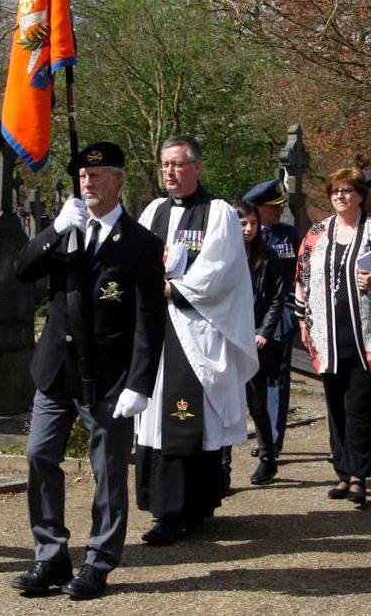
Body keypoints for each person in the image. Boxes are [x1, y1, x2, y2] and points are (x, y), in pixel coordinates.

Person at [11, 143, 165, 600]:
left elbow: (149, 323)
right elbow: (21, 270)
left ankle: (98, 562)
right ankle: (51, 554)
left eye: (98, 175)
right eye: (83, 176)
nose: (88, 182)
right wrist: (53, 231)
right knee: (40, 456)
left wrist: (140, 383)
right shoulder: (66, 230)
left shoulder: (141, 245)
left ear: (118, 181)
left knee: (108, 472)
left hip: (109, 376)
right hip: (57, 370)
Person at [134, 135, 258, 546]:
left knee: (187, 418)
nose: (169, 172)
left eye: (178, 164)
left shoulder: (218, 213)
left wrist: (171, 289)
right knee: (155, 417)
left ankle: (188, 507)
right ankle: (167, 505)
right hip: (156, 328)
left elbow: (218, 269)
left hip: (194, 328)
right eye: (165, 165)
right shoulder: (152, 210)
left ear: (197, 168)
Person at [295, 167, 371, 507]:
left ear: (360, 195)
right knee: (337, 407)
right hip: (327, 337)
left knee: (362, 408)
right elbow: (302, 278)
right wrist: (302, 321)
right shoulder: (316, 233)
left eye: (347, 190)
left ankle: (358, 476)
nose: (340, 196)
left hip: (369, 336)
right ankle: (342, 470)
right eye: (335, 191)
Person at [227, 200, 285, 488]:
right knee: (225, 401)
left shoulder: (268, 256)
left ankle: (267, 458)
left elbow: (276, 298)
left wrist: (265, 331)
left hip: (256, 338)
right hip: (228, 336)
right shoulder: (224, 253)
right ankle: (222, 468)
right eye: (242, 224)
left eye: (252, 223)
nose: (248, 229)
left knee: (256, 401)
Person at [241, 177, 299, 458]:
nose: (279, 211)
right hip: (245, 318)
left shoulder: (289, 235)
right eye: (272, 207)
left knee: (276, 382)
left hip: (279, 316)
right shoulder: (238, 235)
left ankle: (273, 439)